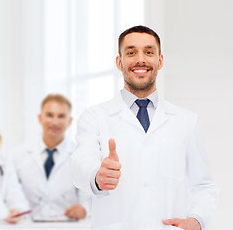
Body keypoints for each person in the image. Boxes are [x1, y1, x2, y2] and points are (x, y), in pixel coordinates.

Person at [70, 25, 218, 230]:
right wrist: (97, 176)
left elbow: (204, 185)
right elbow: (79, 165)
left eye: (149, 52)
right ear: (119, 62)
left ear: (160, 60)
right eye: (131, 52)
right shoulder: (94, 117)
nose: (141, 59)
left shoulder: (186, 121)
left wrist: (197, 220)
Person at [13, 94, 91, 221]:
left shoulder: (80, 155)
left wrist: (84, 209)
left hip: (66, 225)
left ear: (69, 121)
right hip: (28, 225)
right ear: (40, 118)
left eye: (61, 116)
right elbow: (12, 194)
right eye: (49, 115)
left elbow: (88, 198)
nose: (55, 122)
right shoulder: (17, 155)